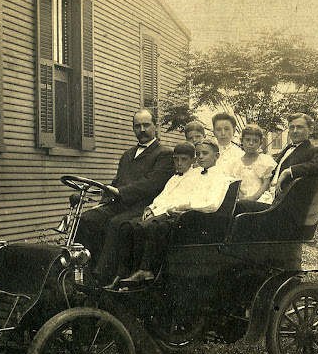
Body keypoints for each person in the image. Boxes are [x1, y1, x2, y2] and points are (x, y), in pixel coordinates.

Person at [76, 109, 174, 283]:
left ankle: (103, 276)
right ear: (133, 129)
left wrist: (121, 193)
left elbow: (151, 183)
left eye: (146, 125)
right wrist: (103, 202)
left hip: (143, 206)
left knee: (115, 224)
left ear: (155, 127)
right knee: (87, 219)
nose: (142, 130)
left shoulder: (164, 154)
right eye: (137, 126)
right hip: (120, 204)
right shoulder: (127, 155)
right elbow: (117, 181)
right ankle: (80, 270)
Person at [116, 138, 231, 287]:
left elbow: (212, 205)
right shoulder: (197, 175)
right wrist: (155, 208)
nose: (201, 157)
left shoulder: (219, 177)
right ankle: (136, 271)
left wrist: (186, 206)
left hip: (201, 220)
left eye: (205, 153)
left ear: (216, 156)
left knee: (155, 227)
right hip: (185, 214)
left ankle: (147, 270)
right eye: (198, 154)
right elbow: (172, 195)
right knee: (139, 227)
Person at [234, 112, 318, 213]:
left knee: (239, 206)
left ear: (310, 130)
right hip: (270, 200)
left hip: (284, 207)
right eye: (292, 127)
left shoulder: (314, 150)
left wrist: (289, 171)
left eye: (300, 127)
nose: (295, 131)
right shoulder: (288, 149)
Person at [231, 123, 276, 203]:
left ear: (260, 143)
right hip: (242, 199)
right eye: (247, 140)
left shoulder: (263, 160)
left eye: (255, 141)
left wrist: (254, 197)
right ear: (242, 141)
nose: (251, 143)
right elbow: (236, 185)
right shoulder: (236, 163)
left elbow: (266, 184)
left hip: (259, 197)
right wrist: (242, 198)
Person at [211, 112, 244, 176]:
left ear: (234, 131)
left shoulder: (240, 154)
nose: (223, 133)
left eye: (227, 129)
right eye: (218, 129)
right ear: (214, 132)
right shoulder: (208, 151)